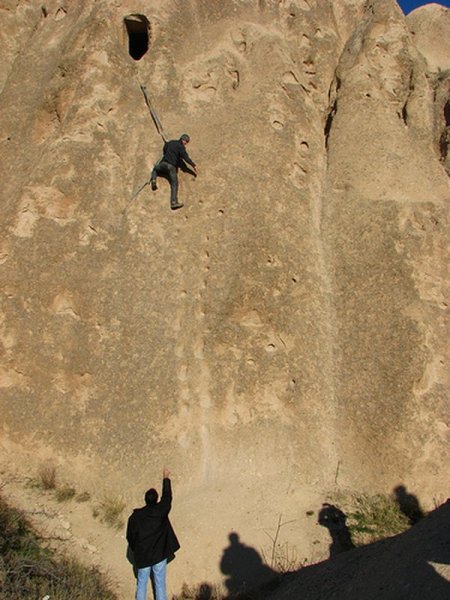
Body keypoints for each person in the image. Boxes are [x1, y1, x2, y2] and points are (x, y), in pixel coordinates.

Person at [126, 468, 180, 600]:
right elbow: (167, 497)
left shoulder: (135, 517)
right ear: (156, 500)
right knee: (160, 584)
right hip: (159, 554)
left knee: (141, 584)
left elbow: (130, 537)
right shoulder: (161, 511)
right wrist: (166, 478)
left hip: (143, 555)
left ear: (145, 500)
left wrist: (136, 549)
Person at [150, 134, 197, 210]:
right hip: (171, 167)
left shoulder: (170, 142)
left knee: (155, 169)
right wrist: (193, 165)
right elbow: (186, 158)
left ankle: (153, 180)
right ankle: (174, 202)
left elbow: (165, 148)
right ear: (183, 140)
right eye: (186, 142)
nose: (186, 144)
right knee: (174, 184)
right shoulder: (181, 147)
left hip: (163, 164)